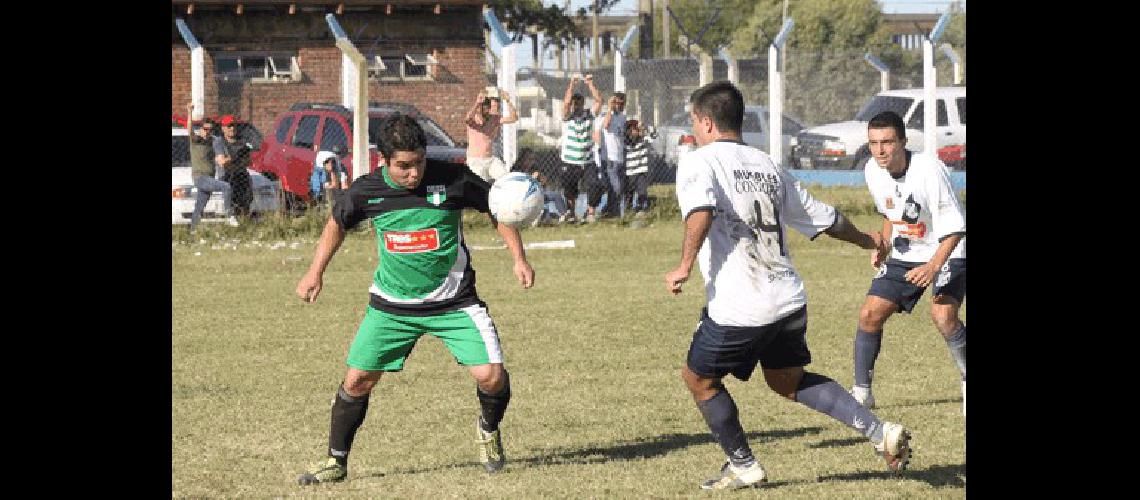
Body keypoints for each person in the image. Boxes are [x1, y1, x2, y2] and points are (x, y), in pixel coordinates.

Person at [664, 82, 912, 490]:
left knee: (699, 380)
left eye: (694, 120)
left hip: (740, 306)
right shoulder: (767, 165)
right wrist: (869, 240)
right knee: (787, 379)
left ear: (706, 121)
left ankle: (743, 465)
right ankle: (877, 431)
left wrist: (684, 265)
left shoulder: (700, 161)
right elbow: (826, 218)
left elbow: (701, 212)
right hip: (787, 300)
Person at [294, 114, 536, 485]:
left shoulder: (452, 179)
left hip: (454, 302)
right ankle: (335, 461)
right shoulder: (366, 190)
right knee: (357, 380)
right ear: (383, 160)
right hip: (391, 308)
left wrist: (518, 258)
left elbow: (497, 209)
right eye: (403, 166)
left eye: (419, 163)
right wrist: (315, 272)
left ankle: (488, 430)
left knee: (491, 376)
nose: (413, 173)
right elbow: (337, 223)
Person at [848, 110, 967, 416]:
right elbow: (890, 214)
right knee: (869, 314)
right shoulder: (872, 171)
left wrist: (933, 267)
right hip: (907, 251)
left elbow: (955, 227)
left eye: (887, 142)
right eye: (874, 143)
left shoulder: (929, 170)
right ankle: (862, 394)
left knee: (943, 315)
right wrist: (884, 246)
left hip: (949, 248)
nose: (880, 150)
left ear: (902, 141)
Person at [184, 103, 239, 230]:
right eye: (205, 129)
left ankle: (192, 232)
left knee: (199, 207)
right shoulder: (195, 140)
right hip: (200, 178)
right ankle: (229, 215)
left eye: (211, 130)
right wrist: (189, 113)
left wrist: (229, 157)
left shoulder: (213, 142)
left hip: (209, 178)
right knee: (226, 187)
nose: (208, 132)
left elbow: (220, 158)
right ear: (201, 129)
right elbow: (189, 129)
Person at [558, 74, 602, 223]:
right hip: (570, 161)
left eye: (579, 103)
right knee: (569, 187)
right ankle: (571, 213)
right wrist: (571, 84)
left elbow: (599, 101)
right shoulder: (567, 117)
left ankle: (590, 213)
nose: (577, 106)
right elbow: (565, 104)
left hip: (587, 160)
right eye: (574, 103)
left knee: (595, 184)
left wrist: (590, 83)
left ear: (583, 104)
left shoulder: (589, 115)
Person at [465, 87, 518, 182]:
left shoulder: (493, 119)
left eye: (488, 108)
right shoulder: (473, 120)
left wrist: (508, 100)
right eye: (483, 108)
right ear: (479, 109)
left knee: (506, 178)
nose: (486, 111)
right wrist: (477, 103)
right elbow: (467, 119)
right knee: (480, 185)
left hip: (490, 160)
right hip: (476, 161)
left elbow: (513, 118)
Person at [593, 92, 628, 218]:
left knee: (616, 188)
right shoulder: (606, 115)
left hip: (619, 157)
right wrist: (610, 109)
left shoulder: (623, 118)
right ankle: (610, 211)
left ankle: (610, 212)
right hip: (609, 157)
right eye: (616, 103)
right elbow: (606, 125)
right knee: (615, 187)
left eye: (621, 103)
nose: (619, 106)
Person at [213, 115, 253, 218]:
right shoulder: (220, 142)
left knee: (245, 201)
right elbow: (222, 162)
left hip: (241, 175)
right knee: (232, 202)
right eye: (229, 126)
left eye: (234, 125)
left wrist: (243, 157)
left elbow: (248, 161)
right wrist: (236, 156)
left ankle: (244, 220)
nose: (232, 128)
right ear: (223, 128)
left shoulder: (242, 142)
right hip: (227, 176)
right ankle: (231, 218)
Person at [622, 119, 651, 216]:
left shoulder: (642, 140)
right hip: (628, 173)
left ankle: (641, 208)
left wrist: (644, 127)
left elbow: (654, 134)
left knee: (642, 190)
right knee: (628, 193)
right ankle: (628, 210)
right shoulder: (625, 143)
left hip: (640, 172)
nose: (633, 132)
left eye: (635, 129)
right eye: (630, 130)